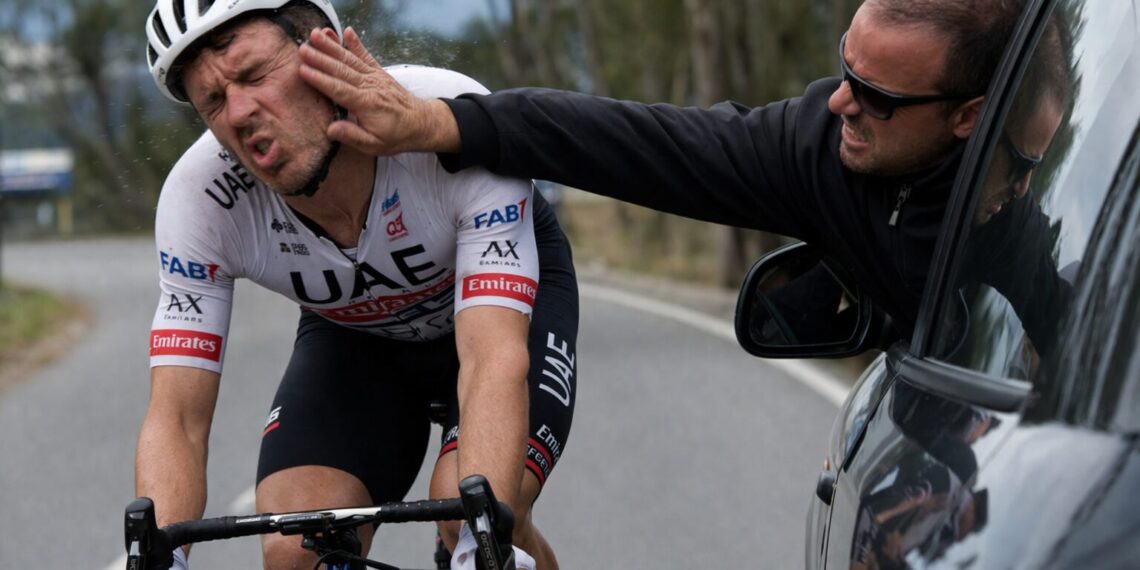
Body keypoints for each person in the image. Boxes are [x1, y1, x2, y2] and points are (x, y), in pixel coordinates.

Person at [292, 0, 1026, 343]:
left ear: (970, 115)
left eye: (877, 97)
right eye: (844, 69)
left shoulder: (1060, 212)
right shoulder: (820, 148)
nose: (840, 102)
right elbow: (635, 142)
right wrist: (440, 123)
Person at [139, 1, 578, 568]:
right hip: (357, 336)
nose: (240, 112)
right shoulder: (198, 202)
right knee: (297, 549)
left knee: (469, 515)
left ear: (322, 46)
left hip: (501, 320)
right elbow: (177, 416)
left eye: (253, 75)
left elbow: (493, 357)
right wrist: (158, 557)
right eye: (214, 101)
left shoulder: (444, 113)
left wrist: (481, 541)